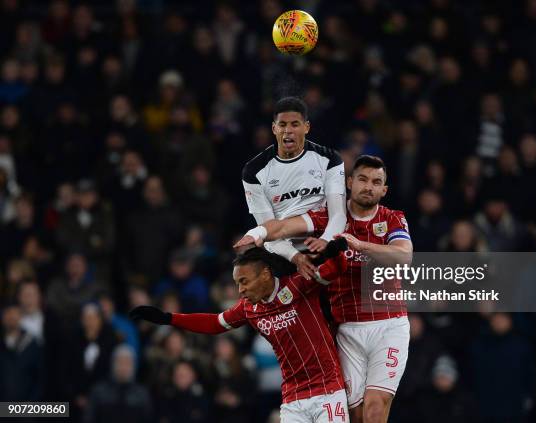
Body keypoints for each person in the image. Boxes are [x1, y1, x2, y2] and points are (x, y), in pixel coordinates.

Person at [235, 155, 413, 423]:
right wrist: (259, 232)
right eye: (363, 179)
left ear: (384, 190)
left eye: (377, 182)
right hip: (347, 328)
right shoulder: (329, 217)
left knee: (376, 407)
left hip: (389, 324)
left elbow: (404, 256)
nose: (369, 187)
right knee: (355, 415)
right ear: (350, 182)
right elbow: (284, 226)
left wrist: (361, 246)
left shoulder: (392, 219)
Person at [131, 242, 350, 423]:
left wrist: (335, 251)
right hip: (293, 397)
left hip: (327, 390)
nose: (240, 290)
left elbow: (336, 269)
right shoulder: (248, 308)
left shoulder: (298, 285)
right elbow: (214, 323)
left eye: (244, 282)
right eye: (237, 284)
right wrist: (169, 318)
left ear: (265, 274)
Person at [241, 96, 347, 279]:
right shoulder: (254, 172)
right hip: (285, 253)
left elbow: (339, 215)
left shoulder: (330, 160)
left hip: (324, 243)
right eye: (282, 125)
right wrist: (296, 257)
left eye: (295, 124)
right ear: (274, 128)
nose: (288, 131)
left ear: (306, 127)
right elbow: (269, 232)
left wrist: (325, 241)